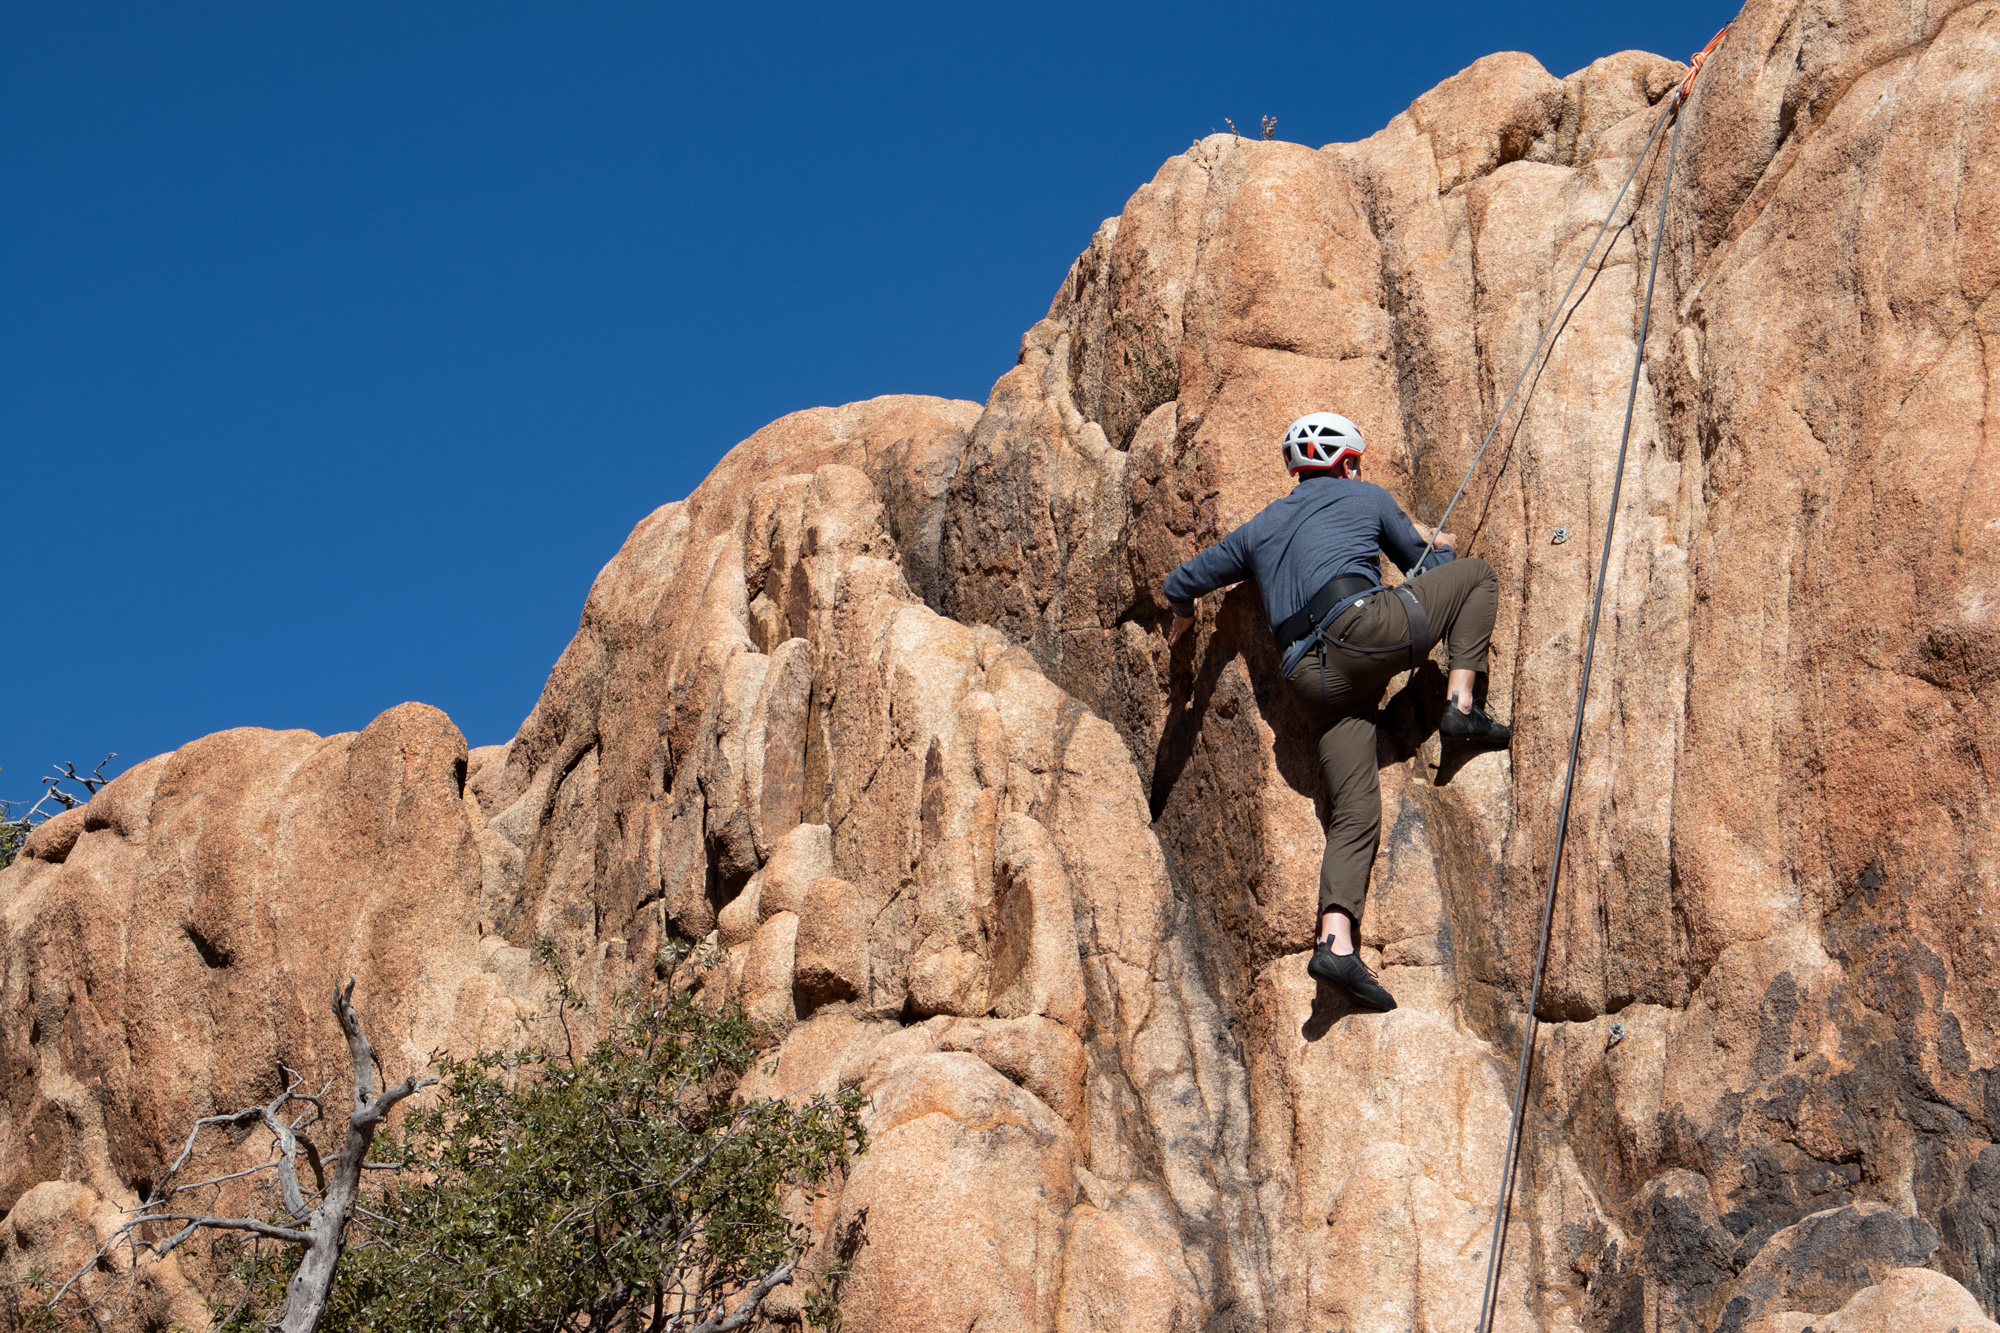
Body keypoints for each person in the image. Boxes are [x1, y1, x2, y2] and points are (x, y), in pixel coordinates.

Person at [1162, 411, 1510, 1012]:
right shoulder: (1365, 495)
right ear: (1347, 463)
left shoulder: (1259, 529)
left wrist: (1185, 624)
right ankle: (1460, 708)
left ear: (1298, 472)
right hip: (1366, 630)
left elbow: (1181, 581)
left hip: (1312, 683)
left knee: (1354, 808)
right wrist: (1438, 543)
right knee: (1475, 578)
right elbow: (1426, 569)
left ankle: (1335, 944)